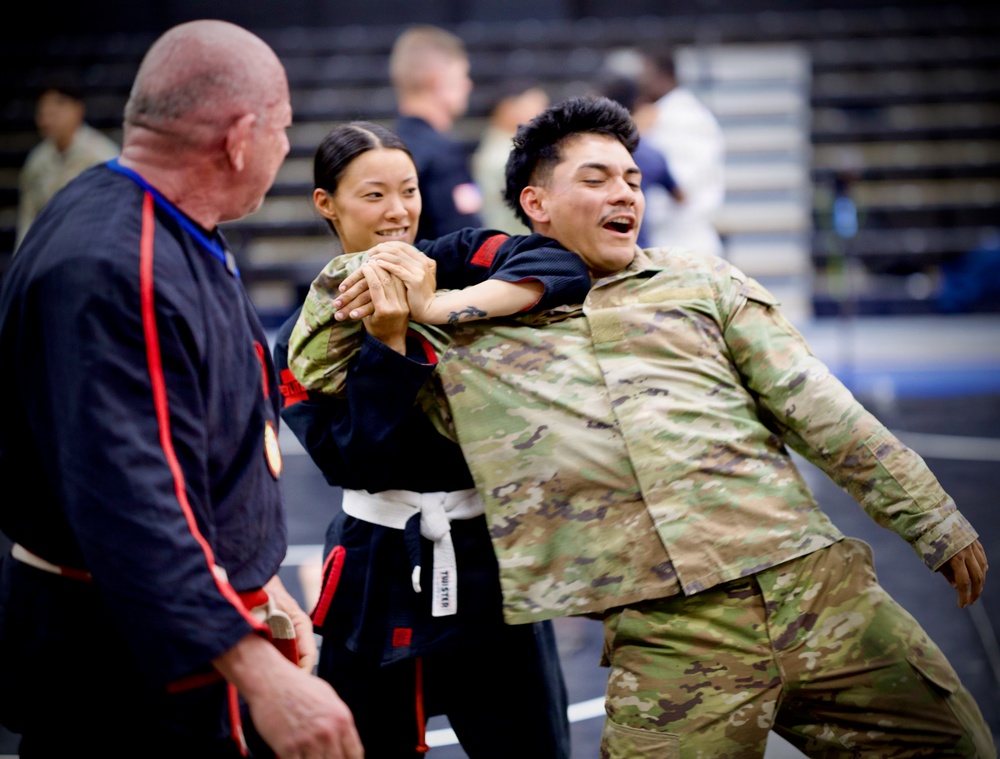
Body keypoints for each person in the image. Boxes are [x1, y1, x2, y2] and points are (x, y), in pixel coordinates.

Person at [289, 96, 995, 758]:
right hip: (670, 639)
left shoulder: (701, 283)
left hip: (821, 593)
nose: (625, 193)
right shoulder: (484, 341)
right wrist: (385, 317)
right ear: (536, 203)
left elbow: (820, 408)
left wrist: (931, 516)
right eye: (596, 179)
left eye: (632, 177)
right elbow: (335, 391)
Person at [0, 20, 363, 759]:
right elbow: (132, 510)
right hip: (116, 666)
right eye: (283, 129)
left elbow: (210, 437)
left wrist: (258, 581)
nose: (286, 148)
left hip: (170, 631)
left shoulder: (173, 222)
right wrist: (259, 669)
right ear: (238, 137)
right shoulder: (112, 268)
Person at [273, 120, 580, 757]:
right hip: (374, 567)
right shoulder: (303, 338)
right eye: (373, 195)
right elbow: (353, 459)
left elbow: (560, 263)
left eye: (407, 191)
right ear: (325, 204)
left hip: (487, 562)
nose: (398, 212)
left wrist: (435, 307)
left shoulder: (458, 255)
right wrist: (386, 342)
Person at [390, 24, 483, 242]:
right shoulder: (442, 154)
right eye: (462, 75)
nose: (468, 84)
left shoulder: (389, 146)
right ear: (437, 81)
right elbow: (464, 240)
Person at [638, 47, 726, 256]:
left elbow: (682, 186)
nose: (640, 83)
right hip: (669, 241)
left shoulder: (682, 117)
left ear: (661, 75)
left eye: (644, 75)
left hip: (684, 243)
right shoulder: (663, 114)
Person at [15, 81, 120, 249]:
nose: (48, 119)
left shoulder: (103, 156)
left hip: (91, 247)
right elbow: (28, 219)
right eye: (43, 113)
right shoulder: (36, 161)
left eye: (55, 112)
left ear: (78, 110)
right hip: (46, 249)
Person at [596, 73, 684, 249]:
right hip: (635, 249)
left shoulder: (587, 148)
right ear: (639, 105)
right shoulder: (649, 153)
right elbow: (680, 196)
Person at [471, 81, 550, 235]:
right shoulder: (502, 156)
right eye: (535, 106)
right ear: (507, 108)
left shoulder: (502, 148)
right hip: (512, 240)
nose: (543, 115)